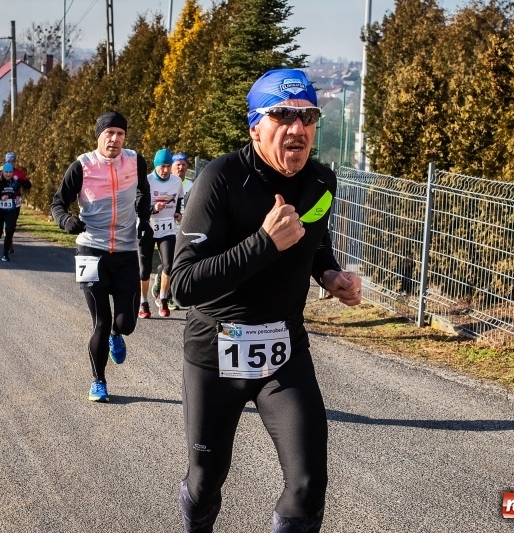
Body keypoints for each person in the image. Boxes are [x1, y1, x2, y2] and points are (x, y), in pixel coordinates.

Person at [170, 69, 362, 533]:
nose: (297, 129)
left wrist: (330, 273)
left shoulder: (321, 181)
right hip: (216, 354)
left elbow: (314, 239)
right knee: (206, 481)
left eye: (307, 117)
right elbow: (183, 284)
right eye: (282, 116)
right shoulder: (219, 180)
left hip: (283, 352)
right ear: (255, 126)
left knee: (308, 484)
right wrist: (262, 243)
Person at [51, 111, 152, 402]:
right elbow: (58, 203)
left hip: (125, 251)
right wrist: (65, 221)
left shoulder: (135, 160)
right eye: (109, 133)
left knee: (126, 323)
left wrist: (143, 221)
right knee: (100, 321)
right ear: (99, 136)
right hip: (90, 251)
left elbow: (143, 192)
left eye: (120, 133)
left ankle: (116, 336)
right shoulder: (82, 166)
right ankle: (99, 381)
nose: (115, 139)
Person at [138, 148, 183, 319]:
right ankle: (143, 302)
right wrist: (153, 209)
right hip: (148, 228)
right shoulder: (147, 181)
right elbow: (137, 207)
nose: (165, 170)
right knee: (144, 270)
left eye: (168, 166)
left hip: (168, 229)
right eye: (162, 166)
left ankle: (163, 298)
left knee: (169, 265)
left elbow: (178, 200)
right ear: (155, 166)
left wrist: (178, 213)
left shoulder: (176, 181)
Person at [0, 163, 30, 261]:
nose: (8, 174)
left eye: (10, 172)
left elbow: (24, 188)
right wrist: (0, 197)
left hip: (11, 210)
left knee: (9, 231)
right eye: (6, 172)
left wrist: (18, 198)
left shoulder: (15, 182)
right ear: (2, 172)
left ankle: (5, 254)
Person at [0, 152, 29, 253]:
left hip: (16, 200)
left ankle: (9, 240)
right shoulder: (1, 171)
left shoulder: (20, 173)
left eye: (13, 161)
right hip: (4, 200)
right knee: (6, 221)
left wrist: (24, 183)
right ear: (5, 161)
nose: (11, 163)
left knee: (13, 223)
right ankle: (8, 240)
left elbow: (27, 184)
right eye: (9, 161)